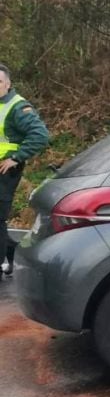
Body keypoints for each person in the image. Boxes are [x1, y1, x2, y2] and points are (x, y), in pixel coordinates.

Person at [0, 64, 49, 277]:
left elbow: (40, 135)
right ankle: (11, 252)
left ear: (8, 83)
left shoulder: (17, 106)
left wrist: (16, 157)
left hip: (4, 170)